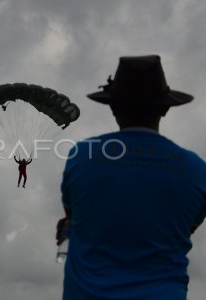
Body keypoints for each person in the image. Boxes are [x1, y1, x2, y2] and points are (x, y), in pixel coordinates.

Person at [57, 55, 206, 300]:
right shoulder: (197, 170)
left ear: (113, 107)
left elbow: (72, 215)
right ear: (166, 107)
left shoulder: (82, 156)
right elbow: (182, 230)